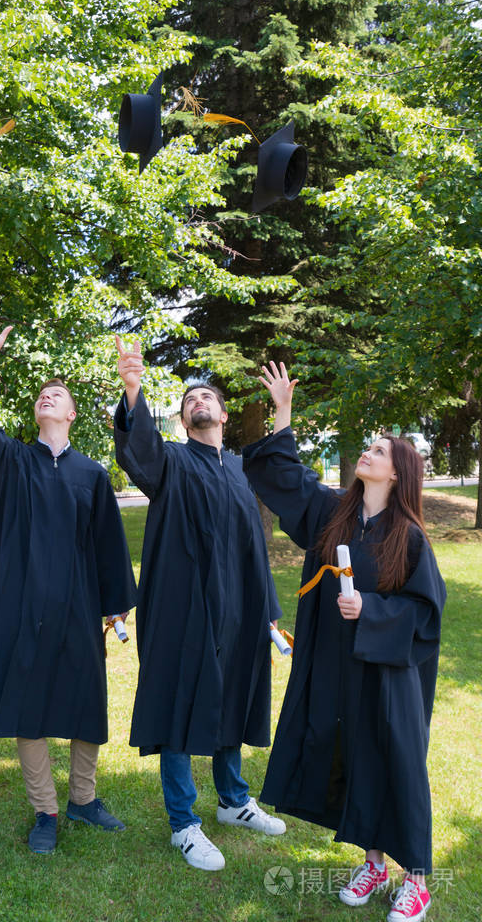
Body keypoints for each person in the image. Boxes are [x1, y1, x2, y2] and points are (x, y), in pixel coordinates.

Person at [243, 362, 446, 922]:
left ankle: (418, 880)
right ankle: (374, 863)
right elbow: (287, 480)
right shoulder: (337, 515)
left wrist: (372, 610)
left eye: (380, 452)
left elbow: (427, 613)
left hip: (389, 676)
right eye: (369, 448)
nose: (368, 453)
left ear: (398, 474)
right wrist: (283, 412)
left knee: (398, 765)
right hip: (339, 665)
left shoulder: (409, 537)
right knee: (354, 758)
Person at [0, 310, 137, 854]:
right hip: (21, 602)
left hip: (77, 601)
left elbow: (106, 544)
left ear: (73, 414)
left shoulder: (91, 474)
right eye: (42, 394)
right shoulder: (11, 461)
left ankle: (83, 797)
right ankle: (45, 810)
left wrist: (115, 603)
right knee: (27, 703)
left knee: (84, 699)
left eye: (58, 394)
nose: (48, 397)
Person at [113, 336, 285, 872]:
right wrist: (134, 391)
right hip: (183, 608)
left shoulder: (238, 468)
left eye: (206, 397)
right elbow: (137, 453)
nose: (198, 402)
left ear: (224, 415)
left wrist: (269, 607)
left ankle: (234, 801)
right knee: (179, 701)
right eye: (189, 402)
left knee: (232, 691)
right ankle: (184, 823)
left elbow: (254, 541)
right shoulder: (171, 462)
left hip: (238, 607)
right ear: (184, 422)